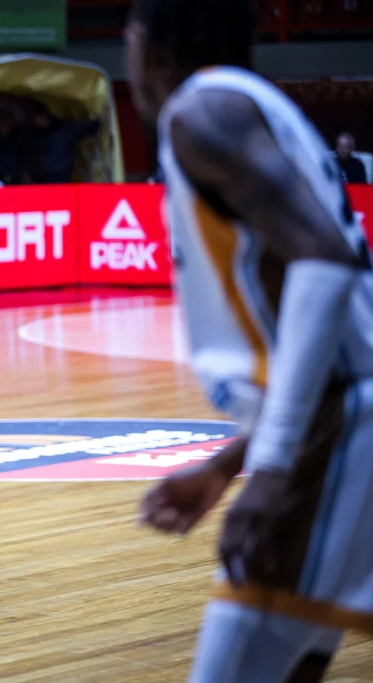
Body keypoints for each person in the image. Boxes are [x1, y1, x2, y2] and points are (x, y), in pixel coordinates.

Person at [129, 0, 373, 680]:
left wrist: (268, 470)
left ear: (150, 40)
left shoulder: (201, 111)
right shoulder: (250, 105)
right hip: (343, 418)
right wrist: (228, 464)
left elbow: (326, 263)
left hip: (338, 431)